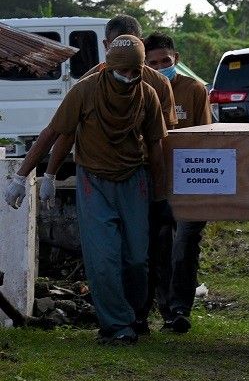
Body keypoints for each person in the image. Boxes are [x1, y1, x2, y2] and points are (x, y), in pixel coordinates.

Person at [5, 36, 168, 344]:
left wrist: (161, 195)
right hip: (94, 180)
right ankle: (116, 325)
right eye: (123, 70)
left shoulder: (147, 94)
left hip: (134, 180)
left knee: (136, 258)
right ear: (108, 66)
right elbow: (56, 133)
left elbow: (157, 147)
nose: (129, 77)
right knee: (103, 257)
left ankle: (135, 316)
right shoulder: (86, 90)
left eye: (136, 71)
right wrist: (24, 177)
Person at [142, 32, 212, 333]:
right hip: (154, 180)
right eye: (153, 63)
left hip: (190, 182)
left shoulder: (195, 90)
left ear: (176, 59)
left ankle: (180, 308)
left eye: (165, 61)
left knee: (184, 244)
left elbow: (208, 137)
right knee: (158, 245)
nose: (160, 68)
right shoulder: (142, 90)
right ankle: (164, 309)